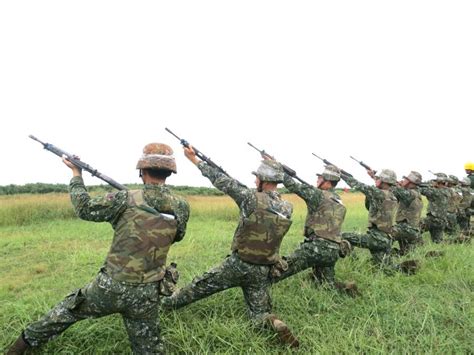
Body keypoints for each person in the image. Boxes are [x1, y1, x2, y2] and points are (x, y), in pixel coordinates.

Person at [7, 143, 190, 355]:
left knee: (66, 310)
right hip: (149, 292)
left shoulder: (124, 198)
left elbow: (84, 208)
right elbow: (178, 236)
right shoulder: (181, 206)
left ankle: (17, 349)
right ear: (169, 172)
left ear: (142, 171)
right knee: (150, 348)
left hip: (110, 287)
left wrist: (76, 174)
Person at [163, 146, 299, 348]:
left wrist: (195, 160)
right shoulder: (287, 207)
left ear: (264, 180)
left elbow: (222, 181)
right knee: (258, 314)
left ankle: (166, 304)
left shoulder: (250, 198)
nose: (254, 181)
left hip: (238, 265)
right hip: (262, 270)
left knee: (196, 288)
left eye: (257, 178)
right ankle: (272, 322)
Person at [271, 164, 355, 293]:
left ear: (326, 181)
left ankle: (255, 287)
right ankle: (346, 289)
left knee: (279, 270)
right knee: (327, 285)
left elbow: (293, 186)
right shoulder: (338, 199)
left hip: (316, 248)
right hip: (333, 251)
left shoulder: (318, 195)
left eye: (320, 178)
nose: (317, 181)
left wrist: (277, 168)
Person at [340, 169, 401, 272]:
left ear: (384, 181)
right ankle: (407, 267)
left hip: (376, 239)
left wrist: (340, 174)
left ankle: (354, 265)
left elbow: (357, 184)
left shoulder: (378, 194)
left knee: (342, 236)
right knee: (387, 270)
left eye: (378, 178)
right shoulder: (392, 195)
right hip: (385, 239)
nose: (376, 180)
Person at [391, 171, 424, 255]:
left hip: (406, 228)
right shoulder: (416, 192)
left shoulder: (411, 194)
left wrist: (391, 183)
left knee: (383, 236)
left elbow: (392, 189)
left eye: (406, 179)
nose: (403, 180)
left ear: (411, 182)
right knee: (406, 253)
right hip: (411, 230)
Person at [419, 173, 450, 244]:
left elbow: (422, 191)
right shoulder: (447, 191)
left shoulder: (435, 192)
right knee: (438, 241)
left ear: (438, 183)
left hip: (433, 219)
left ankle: (419, 245)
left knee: (415, 229)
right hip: (442, 221)